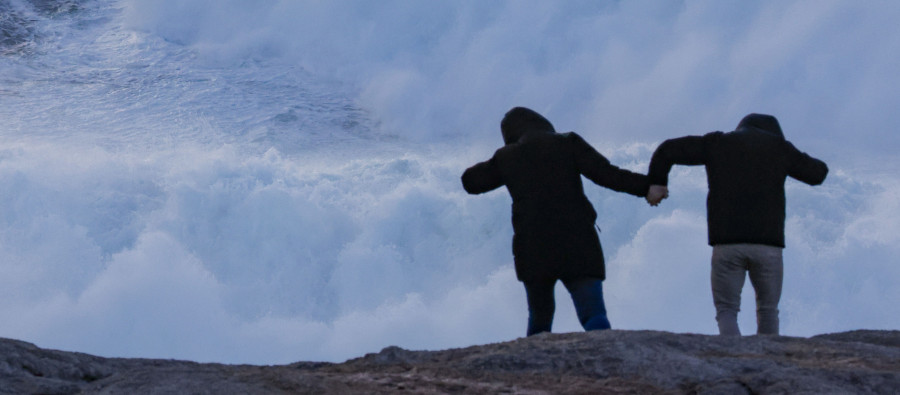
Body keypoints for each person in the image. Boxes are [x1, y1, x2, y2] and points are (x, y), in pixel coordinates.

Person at [462, 107, 650, 336]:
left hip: (534, 248)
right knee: (594, 315)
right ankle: (609, 365)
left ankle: (532, 370)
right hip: (578, 242)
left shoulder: (507, 157)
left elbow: (470, 182)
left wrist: (505, 157)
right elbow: (608, 175)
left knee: (540, 321)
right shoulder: (568, 143)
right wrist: (648, 186)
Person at [645, 113, 828, 336]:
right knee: (768, 310)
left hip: (727, 244)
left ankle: (732, 360)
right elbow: (818, 173)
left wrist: (658, 182)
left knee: (726, 310)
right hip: (768, 246)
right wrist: (788, 152)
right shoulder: (779, 148)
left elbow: (668, 149)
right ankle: (769, 362)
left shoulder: (717, 143)